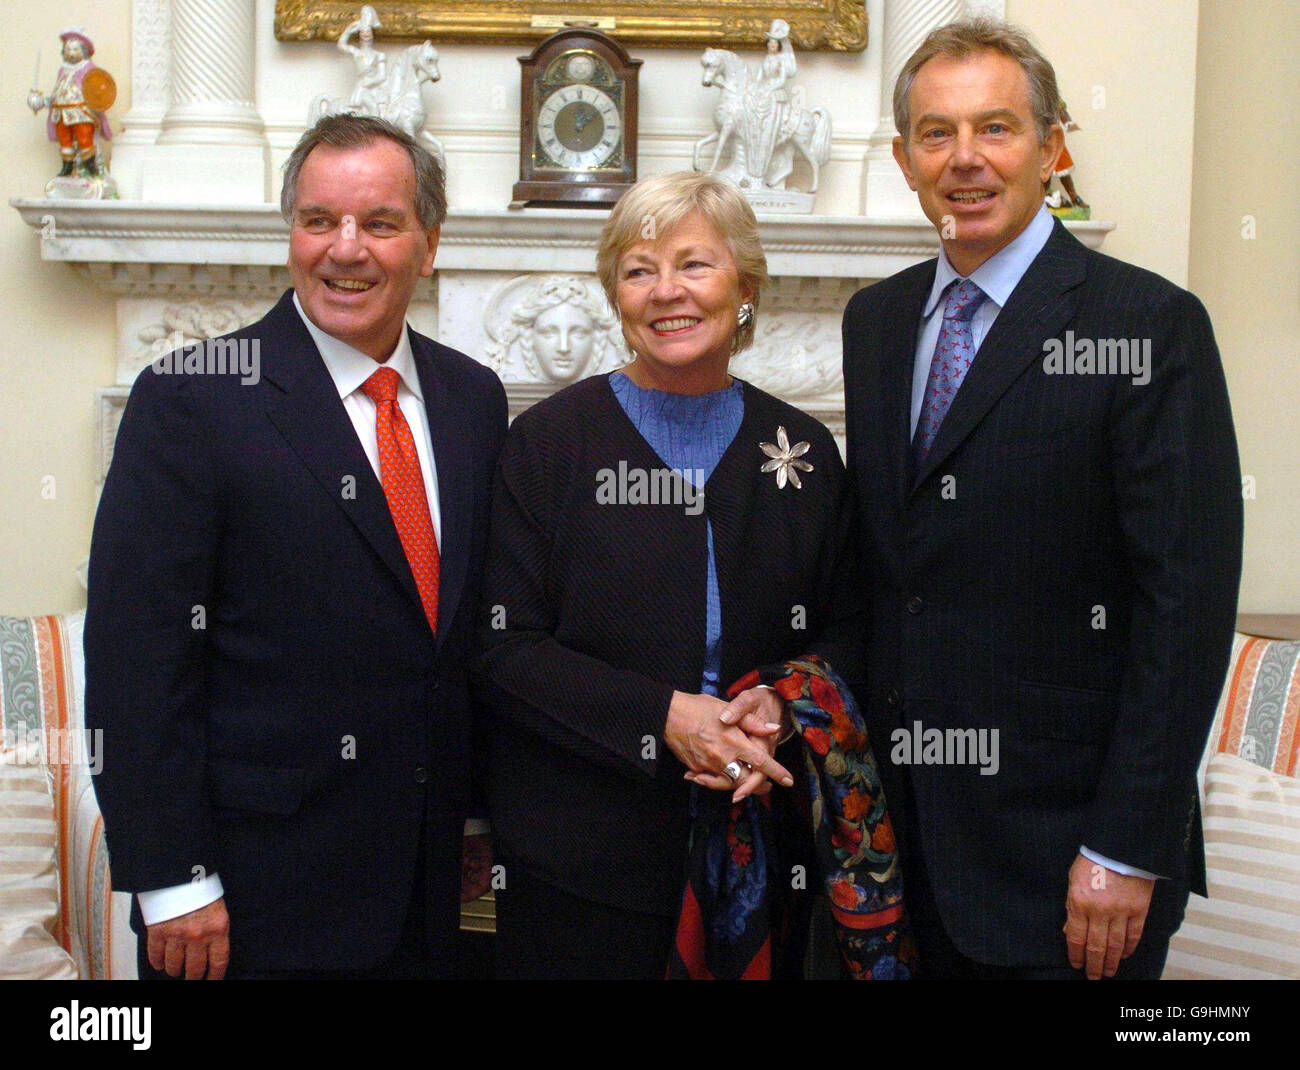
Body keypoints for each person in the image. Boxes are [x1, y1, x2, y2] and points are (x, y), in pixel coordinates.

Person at [841, 17, 1242, 979]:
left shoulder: (1148, 323)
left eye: (998, 128)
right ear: (904, 159)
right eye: (937, 133)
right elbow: (892, 569)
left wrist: (1125, 847)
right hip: (904, 854)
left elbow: (1184, 607)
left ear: (1053, 144)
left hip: (1070, 866)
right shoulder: (878, 321)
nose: (965, 160)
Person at [84, 114, 508, 979]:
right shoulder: (192, 401)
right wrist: (172, 880)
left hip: (432, 900)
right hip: (251, 902)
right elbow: (137, 659)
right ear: (292, 234)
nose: (344, 249)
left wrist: (472, 822)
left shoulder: (474, 398)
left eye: (379, 224)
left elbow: (459, 645)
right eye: (320, 220)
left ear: (429, 245)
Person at [477, 170, 910, 980]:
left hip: (760, 849)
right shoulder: (547, 445)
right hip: (580, 862)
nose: (666, 291)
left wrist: (781, 704)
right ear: (616, 295)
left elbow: (852, 627)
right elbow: (505, 649)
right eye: (639, 270)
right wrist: (665, 715)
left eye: (693, 265)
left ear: (744, 287)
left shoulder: (806, 452)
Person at [27, 27, 113, 178]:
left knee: (84, 136)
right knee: (64, 138)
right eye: (68, 49)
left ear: (84, 50)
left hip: (80, 112)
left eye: (75, 49)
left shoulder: (88, 69)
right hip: (60, 112)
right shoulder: (63, 70)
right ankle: (67, 165)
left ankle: (90, 166)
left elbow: (97, 89)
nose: (71, 53)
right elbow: (57, 93)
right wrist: (43, 102)